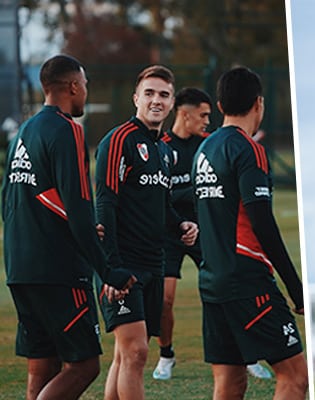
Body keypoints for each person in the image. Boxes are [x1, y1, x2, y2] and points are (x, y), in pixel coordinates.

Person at [1, 54, 135, 399]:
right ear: (73, 86)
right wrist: (108, 271)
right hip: (58, 270)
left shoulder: (24, 132)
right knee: (84, 365)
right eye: (85, 85)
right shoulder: (68, 130)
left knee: (43, 364)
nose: (86, 91)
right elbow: (78, 207)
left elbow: (8, 200)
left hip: (19, 268)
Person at [192, 66, 307, 399]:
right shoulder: (248, 149)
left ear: (219, 105)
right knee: (295, 377)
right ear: (259, 103)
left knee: (230, 381)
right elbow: (262, 223)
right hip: (246, 279)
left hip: (212, 280)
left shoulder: (204, 150)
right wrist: (295, 287)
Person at [95, 65, 199, 399]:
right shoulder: (119, 140)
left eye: (164, 95)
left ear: (172, 103)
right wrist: (111, 268)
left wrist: (180, 224)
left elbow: (161, 204)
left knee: (126, 354)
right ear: (135, 98)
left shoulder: (164, 150)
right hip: (123, 263)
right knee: (137, 352)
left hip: (154, 261)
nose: (156, 100)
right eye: (149, 93)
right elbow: (105, 204)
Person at [151, 87, 212, 380]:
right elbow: (157, 195)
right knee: (164, 301)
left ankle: (244, 355)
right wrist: (190, 192)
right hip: (170, 234)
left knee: (224, 293)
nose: (207, 121)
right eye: (203, 115)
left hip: (203, 232)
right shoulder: (161, 146)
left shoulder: (208, 146)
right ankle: (166, 355)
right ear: (185, 115)